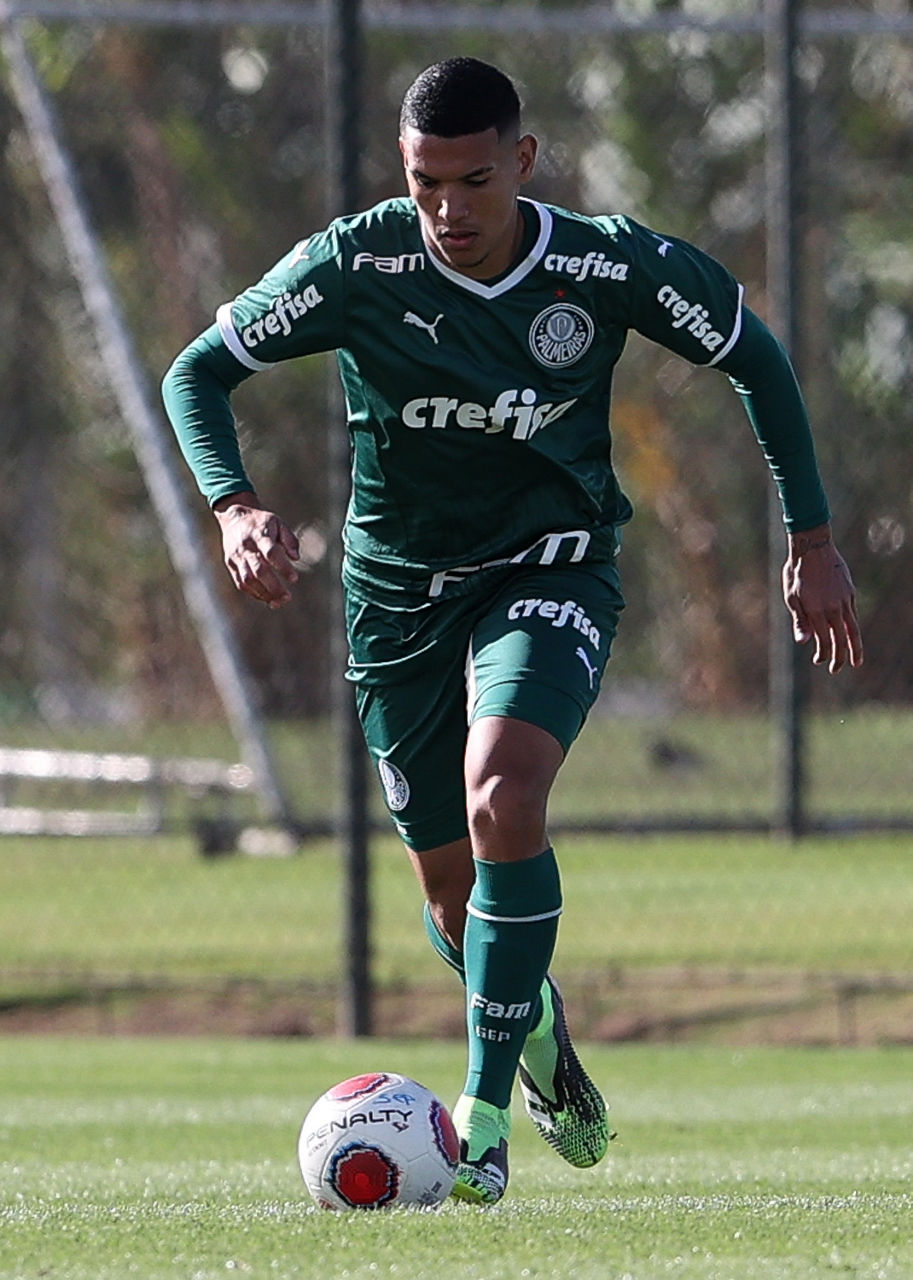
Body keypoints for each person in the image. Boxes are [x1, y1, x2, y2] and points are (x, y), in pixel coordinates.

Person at [162, 56, 863, 1204]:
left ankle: (481, 1122)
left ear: (522, 161)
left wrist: (813, 536)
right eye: (425, 183)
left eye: (473, 181)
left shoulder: (603, 264)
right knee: (453, 897)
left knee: (504, 788)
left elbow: (755, 356)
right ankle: (538, 1037)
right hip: (396, 599)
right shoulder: (358, 264)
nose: (448, 209)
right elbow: (197, 372)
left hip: (551, 568)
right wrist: (235, 507)